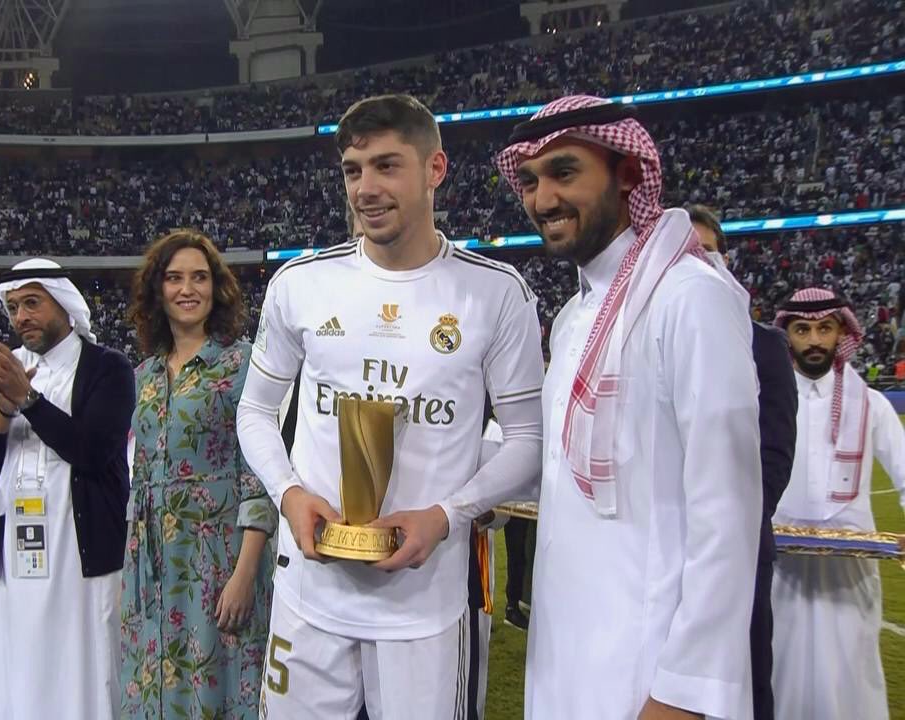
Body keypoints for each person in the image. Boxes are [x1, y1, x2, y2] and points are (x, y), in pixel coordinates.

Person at [236, 94, 545, 719]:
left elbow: (529, 442)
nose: (365, 188)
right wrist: (290, 494)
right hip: (309, 593)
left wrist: (446, 515)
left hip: (425, 606)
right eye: (353, 170)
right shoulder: (300, 285)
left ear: (435, 169)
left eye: (386, 166)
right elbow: (256, 412)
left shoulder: (496, 294)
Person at [496, 95, 762, 719]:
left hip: (651, 672)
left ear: (628, 172)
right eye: (531, 182)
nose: (542, 200)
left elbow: (728, 511)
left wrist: (684, 690)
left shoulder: (689, 300)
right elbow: (560, 468)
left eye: (564, 173)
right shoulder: (571, 319)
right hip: (569, 656)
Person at [0, 258, 134, 720]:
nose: (21, 317)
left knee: (85, 662)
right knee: (20, 659)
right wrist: (1, 413)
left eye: (32, 303)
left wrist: (29, 401)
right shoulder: (4, 368)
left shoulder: (106, 367)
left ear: (65, 305)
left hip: (81, 546)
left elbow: (95, 452)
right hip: (16, 549)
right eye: (14, 307)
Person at [120, 229, 277, 718]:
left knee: (221, 677)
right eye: (174, 278)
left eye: (199, 277)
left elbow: (258, 474)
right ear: (157, 290)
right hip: (152, 563)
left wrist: (246, 572)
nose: (187, 289)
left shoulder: (242, 362)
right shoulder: (144, 374)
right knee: (155, 682)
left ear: (217, 287)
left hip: (219, 556)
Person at [770, 287, 905, 720]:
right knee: (779, 672)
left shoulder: (871, 404)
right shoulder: (764, 402)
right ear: (786, 334)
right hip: (779, 571)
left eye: (825, 329)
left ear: (841, 332)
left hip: (851, 574)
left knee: (851, 677)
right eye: (802, 329)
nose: (814, 340)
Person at [689, 204, 798, 720]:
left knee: (747, 685)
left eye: (706, 251)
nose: (697, 261)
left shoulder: (766, 346)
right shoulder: (653, 340)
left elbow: (775, 455)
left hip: (741, 550)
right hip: (673, 551)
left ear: (726, 259)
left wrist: (731, 527)